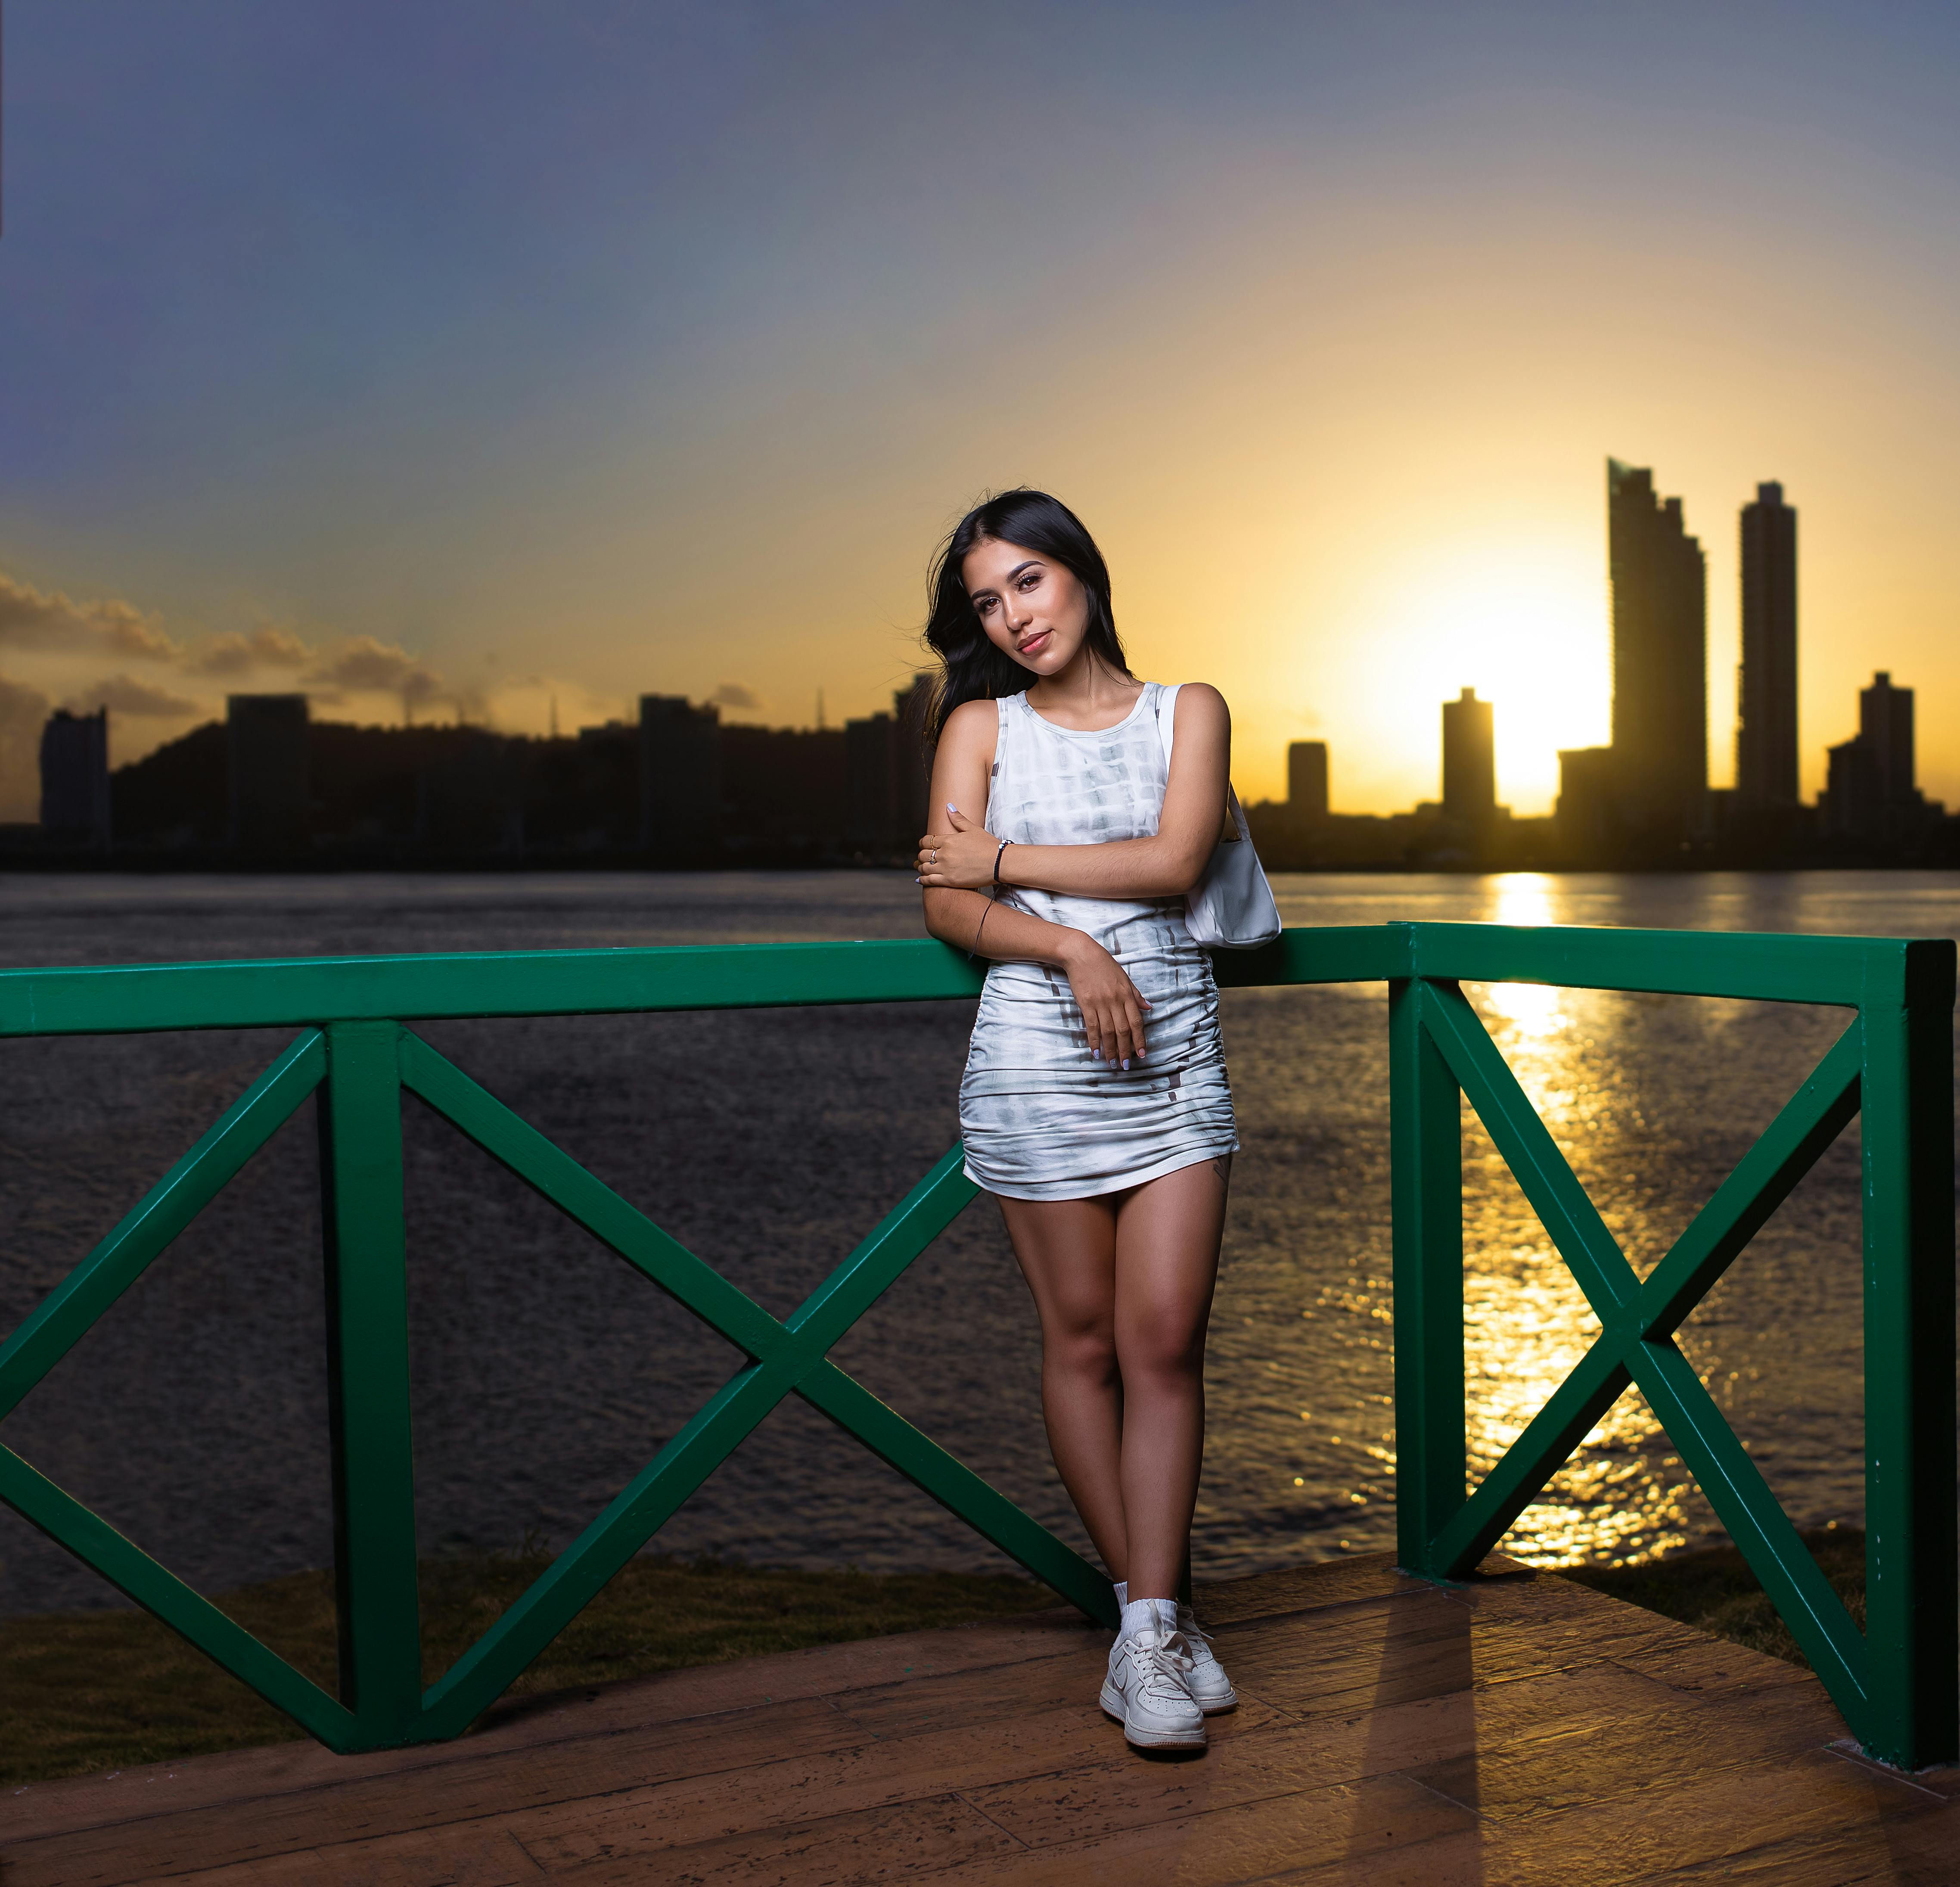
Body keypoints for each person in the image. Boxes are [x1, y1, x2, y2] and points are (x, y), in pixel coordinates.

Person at [913, 488, 1240, 1752]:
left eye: (1028, 584)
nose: (1012, 618)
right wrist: (1064, 949)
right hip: (1038, 1066)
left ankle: (1148, 1630)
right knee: (1086, 1342)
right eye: (988, 604)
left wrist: (999, 861)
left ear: (1082, 575)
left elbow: (1173, 864)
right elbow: (944, 910)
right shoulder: (978, 728)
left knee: (1167, 1343)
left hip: (1176, 1069)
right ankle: (1149, 1627)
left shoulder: (1188, 711)